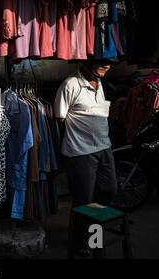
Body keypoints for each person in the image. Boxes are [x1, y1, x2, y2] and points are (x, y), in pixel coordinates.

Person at [54, 59, 118, 256]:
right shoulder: (70, 84)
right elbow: (60, 119)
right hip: (80, 153)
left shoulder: (100, 84)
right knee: (84, 200)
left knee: (109, 190)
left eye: (110, 62)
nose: (107, 66)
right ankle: (85, 242)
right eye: (103, 61)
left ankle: (92, 234)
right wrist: (75, 141)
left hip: (104, 148)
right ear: (88, 61)